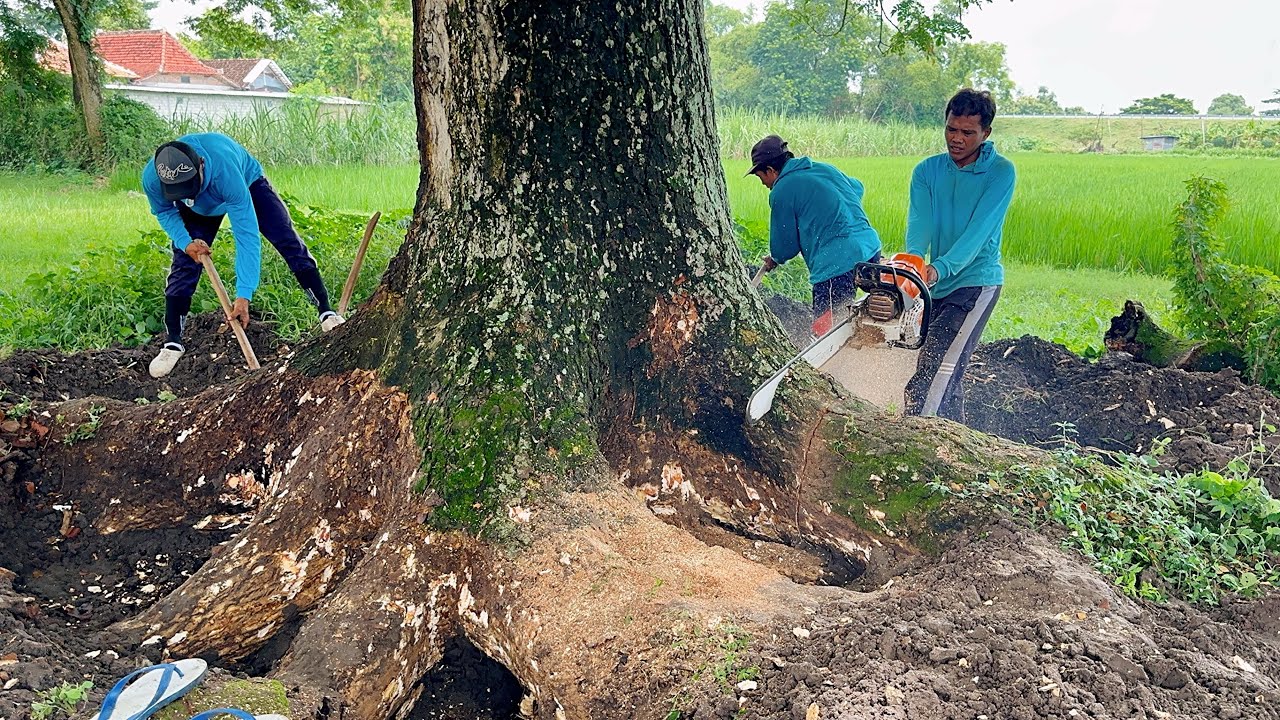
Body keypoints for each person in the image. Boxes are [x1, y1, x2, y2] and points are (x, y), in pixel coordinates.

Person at [142, 133, 345, 378]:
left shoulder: (225, 172)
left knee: (287, 240)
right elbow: (164, 212)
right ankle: (172, 343)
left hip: (247, 183)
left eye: (190, 188)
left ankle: (325, 311)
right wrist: (186, 243)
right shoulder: (153, 179)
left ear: (202, 166)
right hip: (199, 208)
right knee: (184, 264)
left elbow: (246, 235)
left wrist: (243, 294)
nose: (189, 196)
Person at [903, 88, 1016, 422]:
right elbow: (920, 222)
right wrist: (913, 263)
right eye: (952, 129)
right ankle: (955, 454)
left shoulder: (1000, 173)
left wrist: (939, 269)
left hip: (975, 283)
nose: (957, 139)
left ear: (986, 134)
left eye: (968, 133)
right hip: (934, 284)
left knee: (930, 378)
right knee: (944, 375)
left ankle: (915, 440)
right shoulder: (927, 171)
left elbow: (978, 234)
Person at [748, 135, 882, 332]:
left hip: (835, 265)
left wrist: (775, 258)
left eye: (761, 177)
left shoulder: (782, 190)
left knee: (826, 331)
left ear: (770, 170)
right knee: (875, 310)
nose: (763, 183)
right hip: (870, 249)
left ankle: (834, 363)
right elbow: (856, 187)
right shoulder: (823, 168)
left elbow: (785, 245)